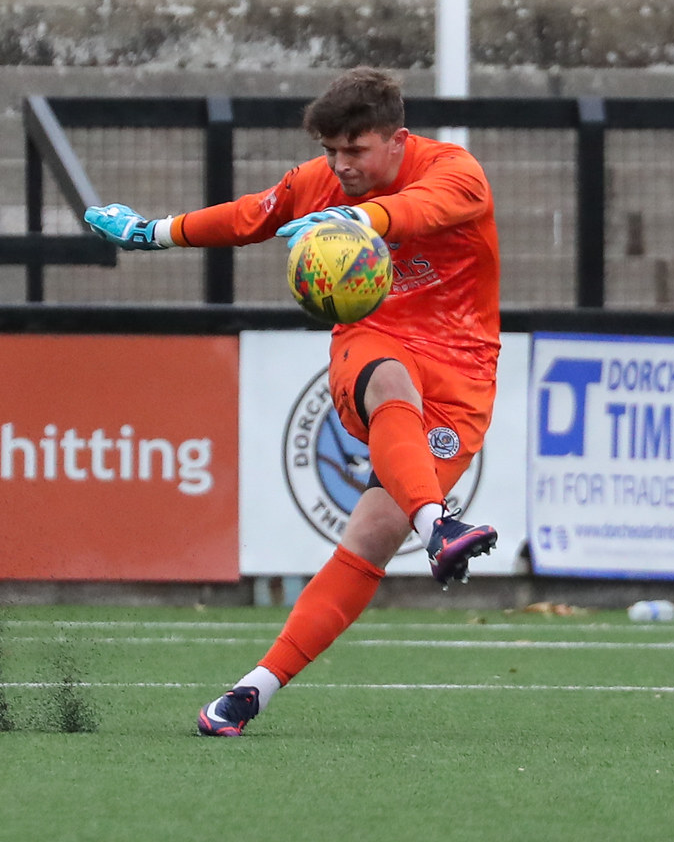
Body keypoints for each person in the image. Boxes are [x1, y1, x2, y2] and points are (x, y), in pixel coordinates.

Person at [85, 67, 501, 737]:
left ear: (395, 139)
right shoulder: (325, 181)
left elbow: (423, 209)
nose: (340, 166)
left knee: (371, 535)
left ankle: (253, 691)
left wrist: (357, 218)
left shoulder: (457, 170)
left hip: (462, 369)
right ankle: (441, 527)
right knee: (390, 379)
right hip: (372, 344)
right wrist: (149, 232)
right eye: (331, 152)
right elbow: (255, 215)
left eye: (354, 151)